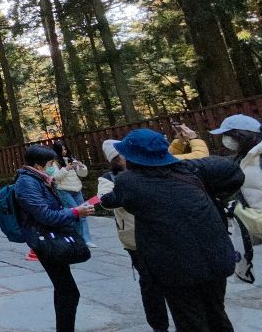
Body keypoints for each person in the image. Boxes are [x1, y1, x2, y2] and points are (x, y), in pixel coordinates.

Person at [101, 129, 244, 332]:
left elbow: (110, 200)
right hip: (216, 258)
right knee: (217, 314)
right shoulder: (191, 169)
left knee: (190, 320)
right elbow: (233, 172)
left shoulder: (129, 182)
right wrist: (216, 194)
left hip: (177, 268)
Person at [14, 145, 96, 332]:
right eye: (51, 163)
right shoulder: (27, 182)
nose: (53, 167)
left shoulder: (39, 179)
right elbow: (45, 215)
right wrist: (75, 212)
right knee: (68, 292)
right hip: (44, 239)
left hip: (51, 236)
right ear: (38, 164)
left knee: (66, 290)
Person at [97, 140, 169, 332]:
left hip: (162, 234)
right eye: (123, 155)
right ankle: (159, 325)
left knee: (171, 279)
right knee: (150, 283)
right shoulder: (108, 178)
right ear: (115, 159)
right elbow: (106, 201)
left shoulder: (148, 171)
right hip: (134, 239)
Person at [51, 141, 94, 247]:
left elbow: (83, 174)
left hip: (77, 189)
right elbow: (55, 177)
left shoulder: (71, 159)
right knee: (75, 214)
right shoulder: (54, 162)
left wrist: (81, 166)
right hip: (64, 190)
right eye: (62, 149)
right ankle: (76, 239)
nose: (64, 151)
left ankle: (86, 239)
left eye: (65, 149)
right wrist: (66, 169)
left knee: (83, 214)